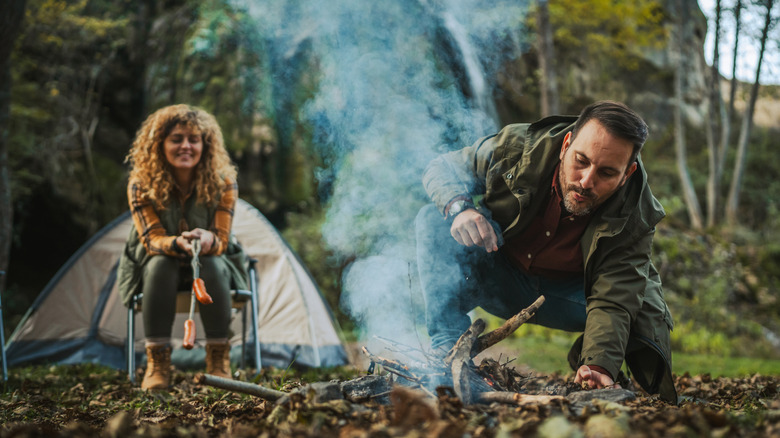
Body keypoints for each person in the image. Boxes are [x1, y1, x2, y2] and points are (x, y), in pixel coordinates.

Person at [416, 101, 677, 402]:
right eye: (581, 160)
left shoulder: (638, 213)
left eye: (606, 173)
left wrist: (598, 363)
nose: (586, 181)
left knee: (639, 300)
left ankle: (591, 366)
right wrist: (461, 208)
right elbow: (442, 168)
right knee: (434, 221)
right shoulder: (517, 147)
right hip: (499, 278)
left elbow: (614, 295)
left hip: (570, 299)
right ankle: (449, 350)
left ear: (627, 173)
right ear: (566, 144)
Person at [118, 104, 248, 390]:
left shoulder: (224, 183)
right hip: (155, 266)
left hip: (209, 265)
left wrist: (208, 239)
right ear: (160, 144)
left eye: (193, 139)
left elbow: (222, 241)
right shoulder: (140, 184)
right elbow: (151, 240)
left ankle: (218, 359)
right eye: (176, 139)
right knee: (160, 263)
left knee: (212, 263)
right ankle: (158, 363)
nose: (185, 146)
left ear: (206, 144)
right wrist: (176, 242)